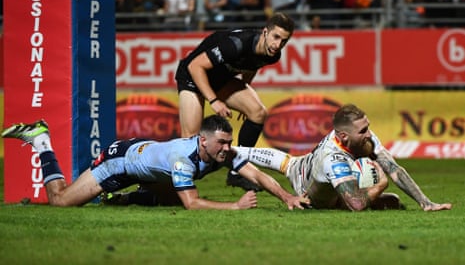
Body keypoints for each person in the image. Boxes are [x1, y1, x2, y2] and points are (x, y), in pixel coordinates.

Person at [1, 115, 308, 210]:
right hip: (118, 161)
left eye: (229, 142)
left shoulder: (223, 152)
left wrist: (287, 196)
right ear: (203, 141)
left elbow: (258, 176)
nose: (227, 148)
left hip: (145, 158)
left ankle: (120, 200)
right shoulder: (182, 159)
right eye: (222, 143)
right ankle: (42, 141)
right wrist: (235, 207)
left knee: (164, 199)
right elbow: (193, 204)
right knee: (61, 202)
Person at [233, 104, 452, 211]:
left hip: (299, 162)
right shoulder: (333, 158)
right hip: (302, 182)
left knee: (286, 161)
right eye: (363, 130)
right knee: (231, 151)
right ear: (343, 136)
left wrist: (425, 202)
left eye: (368, 127)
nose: (369, 133)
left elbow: (393, 168)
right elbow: (356, 204)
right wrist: (379, 186)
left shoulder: (361, 136)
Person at [174, 12, 295, 191]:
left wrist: (242, 94)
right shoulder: (236, 44)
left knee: (257, 112)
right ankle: (175, 185)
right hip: (193, 76)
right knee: (190, 141)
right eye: (276, 37)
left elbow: (251, 66)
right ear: (265, 32)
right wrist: (214, 100)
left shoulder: (272, 54)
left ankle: (237, 173)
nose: (278, 45)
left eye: (284, 41)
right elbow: (195, 66)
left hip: (221, 79)